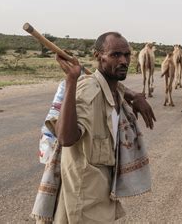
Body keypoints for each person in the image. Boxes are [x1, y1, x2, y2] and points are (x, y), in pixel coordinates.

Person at [50, 31, 155, 223]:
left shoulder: (116, 91)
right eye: (115, 55)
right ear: (98, 56)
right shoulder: (88, 90)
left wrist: (134, 96)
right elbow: (65, 138)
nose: (124, 60)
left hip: (104, 193)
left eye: (127, 55)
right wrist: (71, 81)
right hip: (84, 197)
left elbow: (115, 88)